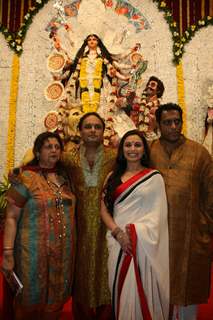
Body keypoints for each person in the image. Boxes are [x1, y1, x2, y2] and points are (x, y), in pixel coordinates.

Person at [1, 132, 76, 320]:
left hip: (63, 254)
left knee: (56, 300)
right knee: (29, 299)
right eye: (48, 146)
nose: (54, 150)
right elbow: (10, 217)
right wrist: (8, 253)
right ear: (37, 151)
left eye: (57, 147)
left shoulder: (66, 179)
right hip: (32, 254)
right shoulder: (25, 178)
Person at [149, 103, 213, 320]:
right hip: (154, 235)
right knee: (155, 287)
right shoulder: (148, 151)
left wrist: (204, 226)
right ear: (158, 125)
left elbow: (211, 195)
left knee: (188, 289)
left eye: (177, 122)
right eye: (167, 123)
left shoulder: (199, 153)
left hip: (190, 234)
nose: (174, 127)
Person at [100, 129, 170, 320]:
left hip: (143, 245)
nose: (132, 149)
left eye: (137, 145)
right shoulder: (112, 177)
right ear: (122, 149)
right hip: (117, 243)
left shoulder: (154, 178)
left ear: (144, 150)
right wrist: (118, 234)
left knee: (143, 295)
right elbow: (104, 210)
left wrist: (135, 234)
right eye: (128, 145)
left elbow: (158, 216)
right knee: (120, 293)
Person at [62, 112, 117, 319]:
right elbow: (42, 162)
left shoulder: (114, 156)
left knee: (106, 272)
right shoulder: (68, 158)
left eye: (97, 127)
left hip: (108, 225)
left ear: (104, 131)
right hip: (80, 227)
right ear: (80, 131)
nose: (93, 130)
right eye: (88, 127)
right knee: (81, 274)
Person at [55, 34, 129, 113]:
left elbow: (112, 70)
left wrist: (124, 78)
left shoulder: (102, 57)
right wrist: (60, 48)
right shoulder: (81, 57)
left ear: (98, 42)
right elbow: (70, 66)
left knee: (102, 110)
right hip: (82, 87)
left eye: (94, 39)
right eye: (89, 39)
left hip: (100, 87)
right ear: (86, 42)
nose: (92, 41)